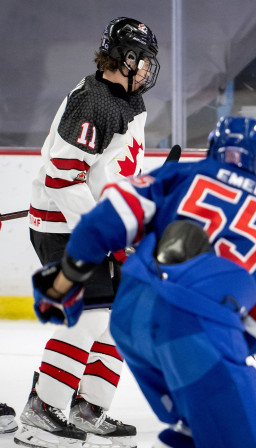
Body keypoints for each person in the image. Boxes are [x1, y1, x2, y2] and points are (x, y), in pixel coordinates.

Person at [28, 116, 256, 448]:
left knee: (198, 421)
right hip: (197, 337)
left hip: (131, 317)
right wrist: (224, 344)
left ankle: (190, 421)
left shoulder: (183, 174)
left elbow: (105, 218)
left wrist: (67, 278)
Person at [18, 17, 159, 448]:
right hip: (64, 228)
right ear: (126, 58)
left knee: (120, 321)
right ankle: (42, 410)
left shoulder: (128, 102)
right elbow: (63, 180)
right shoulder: (92, 102)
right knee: (91, 316)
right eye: (145, 61)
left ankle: (88, 408)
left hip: (96, 226)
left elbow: (112, 171)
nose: (150, 70)